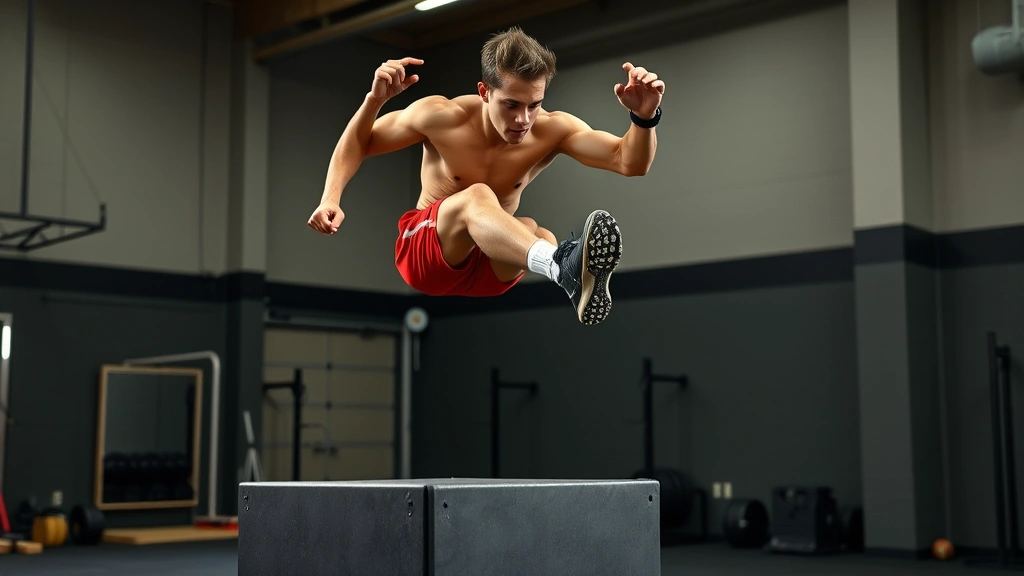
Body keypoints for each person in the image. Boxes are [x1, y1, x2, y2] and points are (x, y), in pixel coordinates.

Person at [307, 27, 664, 326]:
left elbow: (628, 162)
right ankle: (562, 267)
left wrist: (644, 119)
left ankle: (564, 271)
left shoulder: (553, 129)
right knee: (481, 197)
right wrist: (371, 105)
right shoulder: (442, 116)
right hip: (426, 258)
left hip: (489, 270)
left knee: (535, 230)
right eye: (511, 104)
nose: (524, 119)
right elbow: (360, 143)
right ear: (485, 92)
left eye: (533, 105)